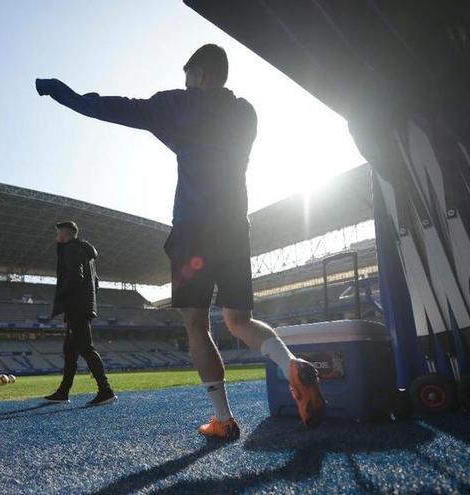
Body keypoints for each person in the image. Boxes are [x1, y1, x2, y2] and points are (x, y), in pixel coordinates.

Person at [36, 44, 325, 438]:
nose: (184, 82)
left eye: (187, 75)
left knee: (195, 323)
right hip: (235, 227)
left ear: (200, 75)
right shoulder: (246, 113)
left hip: (194, 228)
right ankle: (290, 363)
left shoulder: (177, 106)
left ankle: (223, 419)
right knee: (239, 320)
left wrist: (61, 93)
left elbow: (114, 107)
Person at [43, 221, 116, 406]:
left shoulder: (70, 249)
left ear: (64, 235)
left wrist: (62, 296)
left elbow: (76, 276)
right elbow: (96, 282)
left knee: (85, 348)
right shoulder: (86, 252)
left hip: (76, 307)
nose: (56, 237)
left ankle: (105, 390)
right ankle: (63, 391)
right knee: (70, 351)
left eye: (58, 234)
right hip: (83, 305)